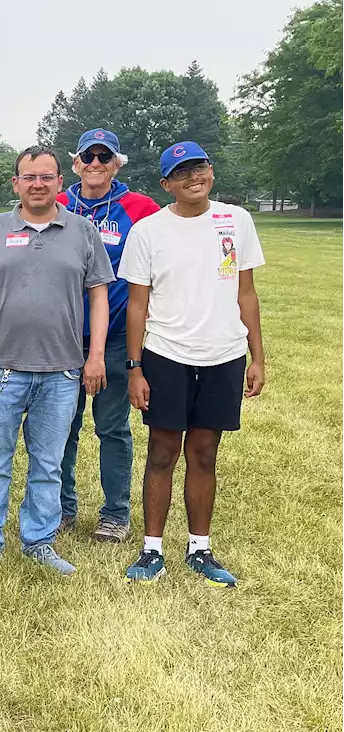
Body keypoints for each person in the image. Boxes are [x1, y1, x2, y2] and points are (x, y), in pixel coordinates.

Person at [0, 147, 115, 576]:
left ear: (60, 182)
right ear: (16, 184)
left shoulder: (82, 232)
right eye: (29, 177)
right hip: (0, 368)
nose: (38, 184)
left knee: (48, 463)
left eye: (46, 176)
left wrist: (95, 355)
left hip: (62, 370)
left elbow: (99, 295)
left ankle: (39, 541)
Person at [120, 142, 265, 587]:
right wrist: (135, 367)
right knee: (162, 452)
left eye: (198, 166)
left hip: (223, 354)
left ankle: (200, 548)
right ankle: (152, 550)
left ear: (211, 171)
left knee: (204, 453)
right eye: (180, 172)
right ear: (166, 184)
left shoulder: (235, 221)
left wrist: (257, 356)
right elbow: (137, 307)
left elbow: (246, 293)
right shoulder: (148, 232)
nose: (192, 177)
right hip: (166, 355)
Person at [56, 129, 161, 542]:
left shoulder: (140, 208)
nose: (96, 164)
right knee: (60, 427)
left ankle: (115, 514)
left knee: (112, 428)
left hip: (116, 337)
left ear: (118, 163)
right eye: (89, 156)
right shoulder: (59, 204)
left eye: (105, 157)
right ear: (76, 162)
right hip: (61, 338)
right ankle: (61, 508)